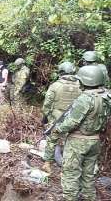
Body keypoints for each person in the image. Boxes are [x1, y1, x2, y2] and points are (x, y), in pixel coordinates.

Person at [43, 65, 111, 200]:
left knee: (70, 174)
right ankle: (89, 197)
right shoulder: (106, 96)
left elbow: (72, 122)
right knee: (88, 175)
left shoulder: (85, 98)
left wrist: (57, 129)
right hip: (95, 140)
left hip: (78, 142)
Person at [42, 62, 82, 172]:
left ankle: (47, 164)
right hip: (73, 118)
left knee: (52, 140)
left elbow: (47, 104)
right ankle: (67, 167)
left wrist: (47, 115)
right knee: (69, 141)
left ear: (62, 72)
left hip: (56, 117)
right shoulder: (80, 86)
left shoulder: (56, 85)